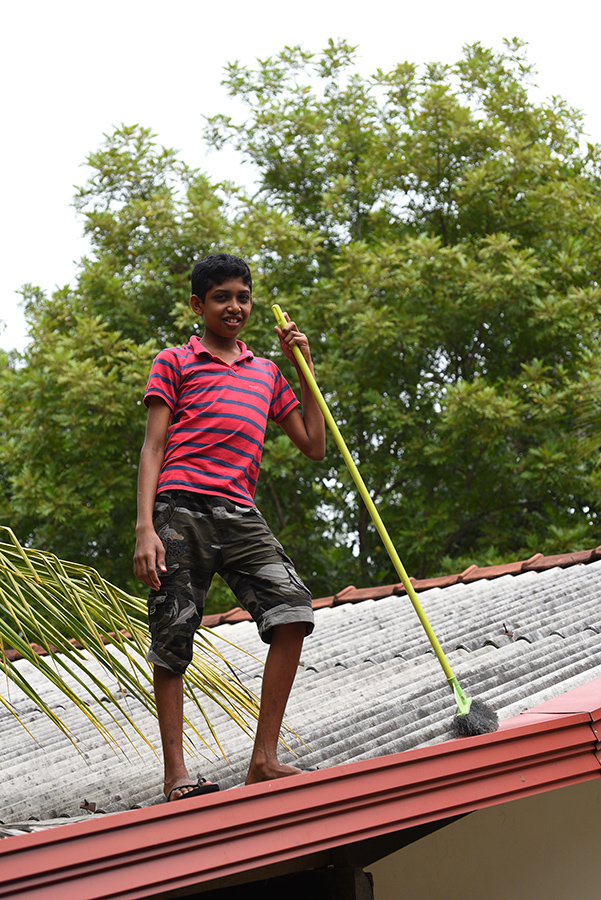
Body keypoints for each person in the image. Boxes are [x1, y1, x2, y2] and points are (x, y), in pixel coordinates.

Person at [133, 253, 326, 801]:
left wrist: (304, 368)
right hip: (180, 510)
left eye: (243, 296)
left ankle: (264, 759)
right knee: (173, 637)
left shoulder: (266, 372)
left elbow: (313, 446)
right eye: (222, 297)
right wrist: (145, 529)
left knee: (292, 613)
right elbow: (152, 447)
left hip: (239, 513)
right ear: (199, 305)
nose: (235, 306)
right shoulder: (174, 361)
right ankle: (177, 776)